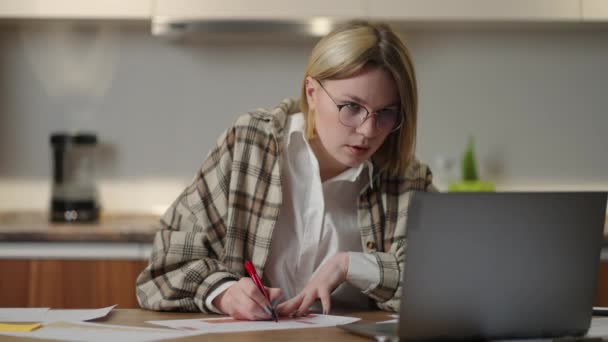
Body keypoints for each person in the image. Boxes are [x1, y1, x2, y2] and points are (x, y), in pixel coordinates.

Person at [135, 20, 435, 321]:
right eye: (351, 107)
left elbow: (440, 287)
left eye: (386, 113)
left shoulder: (406, 178)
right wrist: (224, 293)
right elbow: (164, 271)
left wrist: (349, 265)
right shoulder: (250, 146)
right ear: (311, 93)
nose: (369, 131)